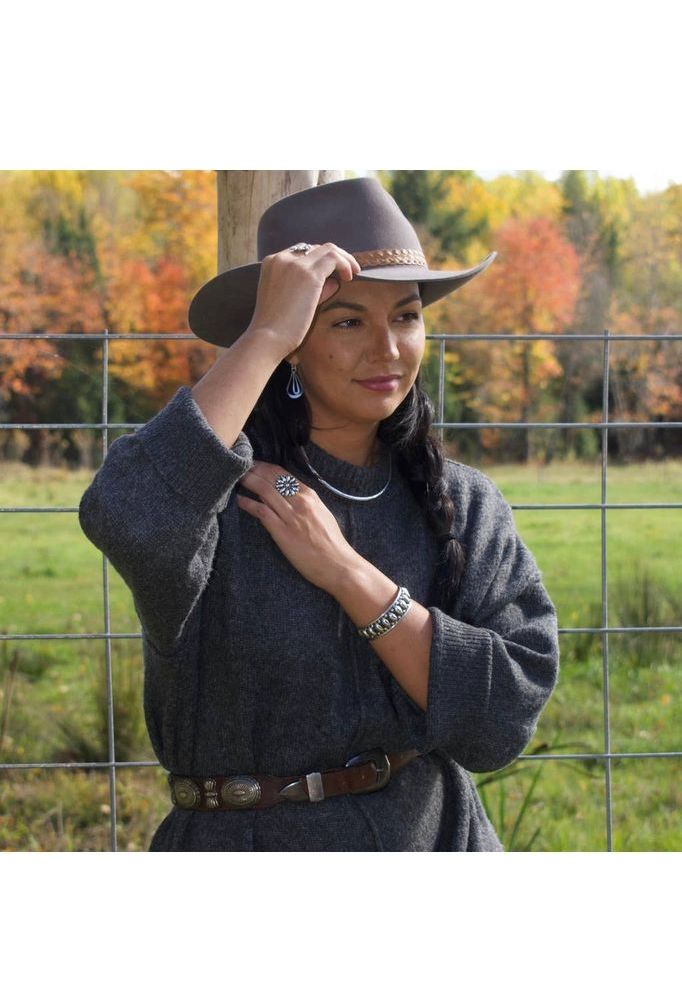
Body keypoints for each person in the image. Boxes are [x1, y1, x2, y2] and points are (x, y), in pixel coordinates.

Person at [78, 176, 560, 851]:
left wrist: (345, 572)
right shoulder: (217, 496)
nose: (388, 349)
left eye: (405, 315)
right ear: (293, 344)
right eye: (346, 320)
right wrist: (266, 331)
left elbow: (503, 717)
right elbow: (125, 513)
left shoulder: (463, 503)